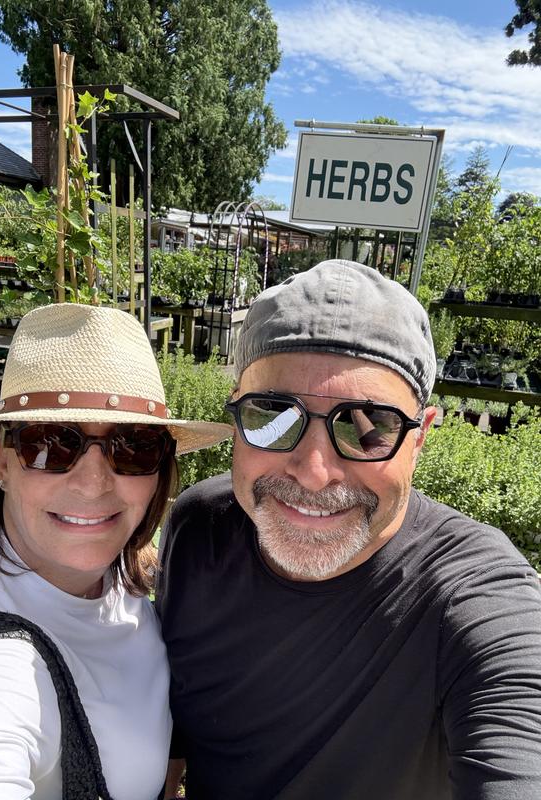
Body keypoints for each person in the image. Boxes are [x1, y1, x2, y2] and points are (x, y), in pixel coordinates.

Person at [157, 259, 541, 800]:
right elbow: (173, 732)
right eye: (274, 413)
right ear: (236, 412)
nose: (314, 473)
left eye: (369, 426)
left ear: (420, 438)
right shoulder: (202, 528)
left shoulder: (474, 599)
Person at [0, 302, 231, 800]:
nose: (94, 482)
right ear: (2, 459)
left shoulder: (130, 579)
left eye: (134, 446)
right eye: (51, 443)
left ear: (161, 468)